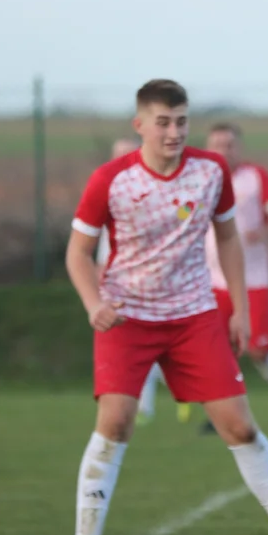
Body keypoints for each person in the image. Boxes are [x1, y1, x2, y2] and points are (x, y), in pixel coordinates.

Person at [64, 79, 268, 535]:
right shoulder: (110, 180)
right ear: (140, 125)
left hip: (193, 317)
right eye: (163, 122)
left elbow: (229, 238)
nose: (174, 132)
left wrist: (238, 308)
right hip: (127, 318)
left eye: (181, 121)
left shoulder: (210, 171)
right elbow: (78, 253)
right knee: (117, 422)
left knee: (241, 425)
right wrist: (93, 303)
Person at [200, 122, 268, 434]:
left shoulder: (256, 178)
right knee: (219, 351)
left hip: (253, 279)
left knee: (259, 350)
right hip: (214, 281)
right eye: (217, 145)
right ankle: (221, 414)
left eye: (229, 145)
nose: (224, 151)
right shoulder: (200, 181)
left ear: (239, 148)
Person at [97, 139, 192, 427]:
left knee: (154, 351)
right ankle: (148, 405)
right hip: (119, 290)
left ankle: (176, 390)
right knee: (134, 355)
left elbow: (187, 214)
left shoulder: (161, 195)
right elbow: (98, 249)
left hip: (160, 292)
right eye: (117, 157)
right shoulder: (105, 197)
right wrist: (99, 293)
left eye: (128, 156)